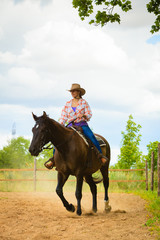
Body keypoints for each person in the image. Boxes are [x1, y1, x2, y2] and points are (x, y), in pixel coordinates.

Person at [45, 83, 108, 169]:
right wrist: (60, 126)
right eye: (71, 91)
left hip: (82, 124)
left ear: (78, 92)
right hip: (70, 125)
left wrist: (83, 116)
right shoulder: (67, 104)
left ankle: (100, 156)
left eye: (74, 91)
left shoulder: (84, 102)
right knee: (58, 139)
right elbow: (63, 117)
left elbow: (89, 114)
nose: (72, 92)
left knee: (91, 137)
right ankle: (53, 160)